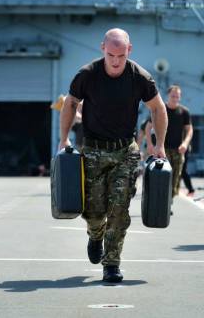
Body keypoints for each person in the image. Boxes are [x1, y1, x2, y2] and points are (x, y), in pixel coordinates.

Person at [59, 28, 168, 283]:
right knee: (94, 211)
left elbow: (158, 108)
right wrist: (63, 139)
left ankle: (112, 263)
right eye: (111, 55)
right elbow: (70, 103)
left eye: (120, 55)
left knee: (119, 209)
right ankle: (95, 234)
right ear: (102, 49)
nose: (116, 61)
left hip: (124, 152)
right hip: (93, 150)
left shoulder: (140, 77)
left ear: (129, 51)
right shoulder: (87, 75)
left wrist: (159, 144)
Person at [146, 85, 193, 200]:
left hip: (178, 150)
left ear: (180, 97)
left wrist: (185, 143)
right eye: (173, 95)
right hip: (162, 149)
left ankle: (168, 202)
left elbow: (189, 129)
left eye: (177, 96)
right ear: (168, 95)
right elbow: (148, 127)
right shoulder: (161, 109)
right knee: (160, 177)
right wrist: (150, 144)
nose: (175, 98)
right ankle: (161, 201)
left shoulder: (184, 112)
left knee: (175, 178)